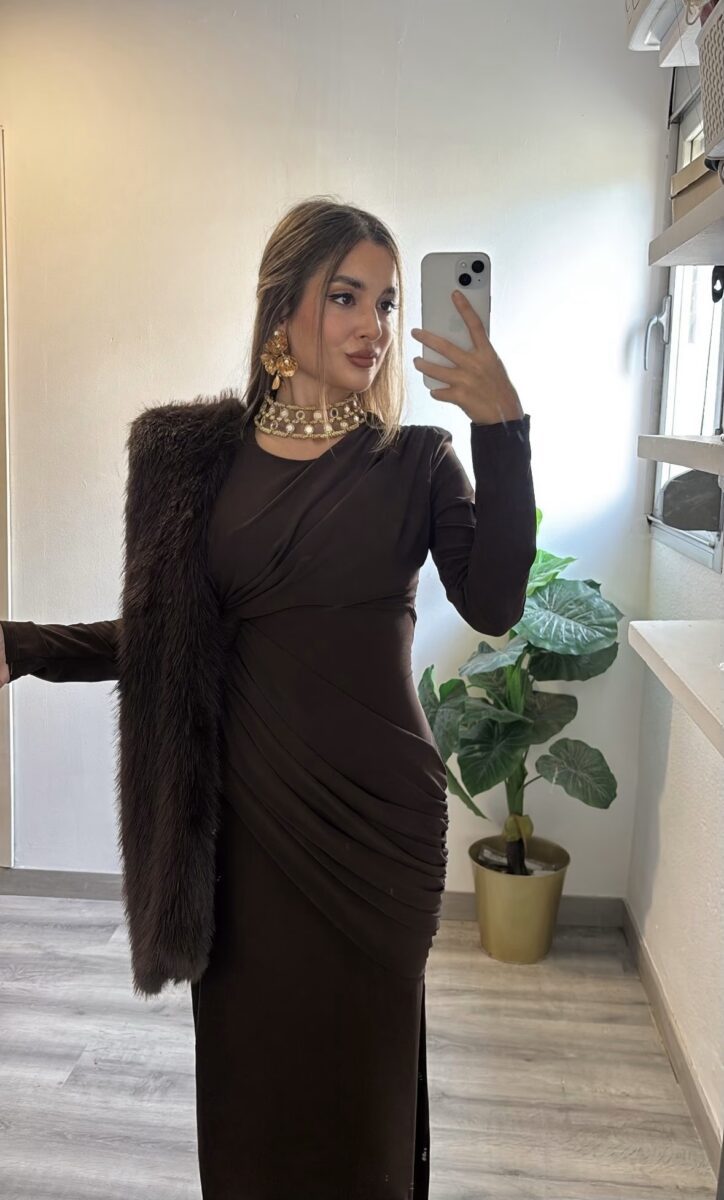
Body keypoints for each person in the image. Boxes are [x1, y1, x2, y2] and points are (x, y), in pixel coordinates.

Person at [0, 196, 537, 1200]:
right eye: (346, 297)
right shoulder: (193, 460)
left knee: (364, 1111)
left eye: (386, 302)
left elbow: (497, 602)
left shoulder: (419, 462)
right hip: (243, 836)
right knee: (251, 1102)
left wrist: (500, 428)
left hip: (378, 834)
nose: (372, 326)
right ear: (281, 307)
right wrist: (23, 646)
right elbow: (166, 636)